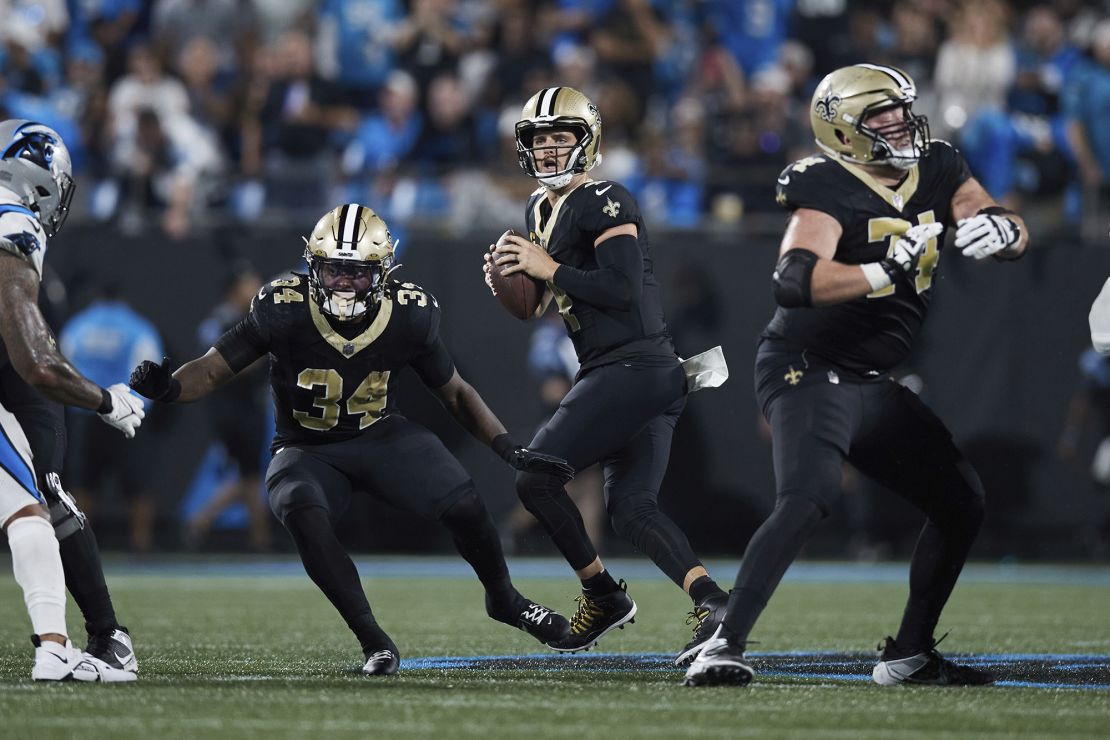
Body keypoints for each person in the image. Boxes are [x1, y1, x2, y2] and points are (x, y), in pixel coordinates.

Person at [683, 64, 1029, 688]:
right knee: (810, 496)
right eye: (880, 115)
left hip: (871, 378)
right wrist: (880, 274)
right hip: (805, 365)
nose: (898, 122)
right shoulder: (826, 182)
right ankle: (723, 642)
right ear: (842, 131)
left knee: (961, 501)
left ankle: (910, 654)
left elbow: (991, 214)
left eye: (901, 109)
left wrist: (1003, 229)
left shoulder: (940, 165)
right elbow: (793, 281)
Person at [129, 204, 572, 676]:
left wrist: (506, 448)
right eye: (333, 269)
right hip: (305, 447)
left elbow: (456, 393)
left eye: (357, 273)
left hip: (379, 434)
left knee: (463, 501)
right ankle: (374, 640)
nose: (342, 283)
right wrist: (172, 388)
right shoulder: (284, 306)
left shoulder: (410, 313)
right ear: (313, 266)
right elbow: (215, 366)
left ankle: (504, 598)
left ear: (382, 272)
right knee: (300, 506)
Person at [484, 86, 729, 659]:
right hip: (627, 371)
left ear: (587, 140)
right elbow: (540, 305)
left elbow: (621, 289)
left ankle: (603, 595)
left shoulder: (606, 197)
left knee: (534, 478)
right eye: (538, 139)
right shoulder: (538, 209)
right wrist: (509, 285)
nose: (547, 148)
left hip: (634, 366)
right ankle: (716, 602)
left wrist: (546, 265)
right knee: (631, 508)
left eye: (559, 136)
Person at [0, 119, 144, 682]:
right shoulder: (14, 222)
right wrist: (105, 401)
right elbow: (35, 360)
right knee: (32, 506)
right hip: (21, 369)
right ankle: (68, 647)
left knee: (36, 498)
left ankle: (87, 640)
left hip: (12, 376)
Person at [60, 285, 164, 552]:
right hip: (127, 414)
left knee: (84, 482)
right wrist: (139, 408)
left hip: (86, 413)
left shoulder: (79, 325)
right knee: (138, 484)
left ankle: (81, 545)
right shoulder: (136, 326)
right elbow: (150, 367)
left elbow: (62, 366)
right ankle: (141, 544)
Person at [185, 263, 271, 551]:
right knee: (251, 475)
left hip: (240, 406)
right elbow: (219, 366)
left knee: (250, 476)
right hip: (234, 408)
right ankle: (256, 538)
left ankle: (251, 534)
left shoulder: (241, 318)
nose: (255, 288)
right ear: (235, 289)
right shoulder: (225, 321)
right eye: (250, 283)